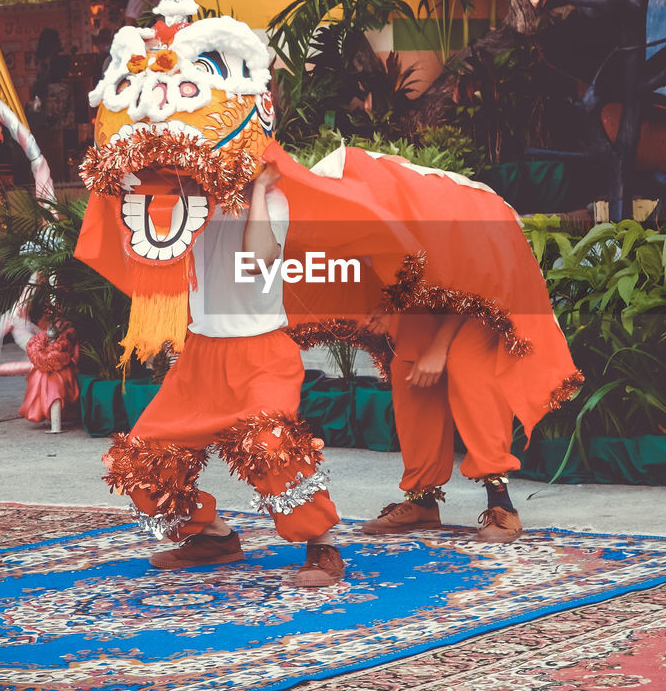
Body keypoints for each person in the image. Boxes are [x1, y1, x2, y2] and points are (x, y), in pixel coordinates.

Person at [100, 160, 346, 587]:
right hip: (201, 355)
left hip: (261, 354)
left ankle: (321, 544)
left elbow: (256, 261)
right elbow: (149, 255)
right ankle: (213, 537)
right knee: (141, 458)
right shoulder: (185, 204)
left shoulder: (271, 200)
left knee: (269, 446)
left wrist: (260, 187)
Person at [360, 310, 525, 543]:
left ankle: (500, 502)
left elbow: (469, 287)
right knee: (408, 362)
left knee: (467, 361)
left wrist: (439, 347)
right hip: (428, 297)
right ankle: (422, 501)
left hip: (484, 294)